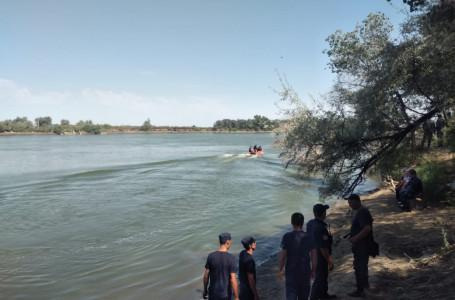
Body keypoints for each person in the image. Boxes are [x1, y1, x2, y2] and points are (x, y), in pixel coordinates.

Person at [279, 212, 317, 300]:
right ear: (303, 222)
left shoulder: (287, 237)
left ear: (292, 222)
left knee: (291, 296)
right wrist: (313, 271)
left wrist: (280, 270)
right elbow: (315, 257)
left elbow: (283, 257)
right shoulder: (309, 237)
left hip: (291, 273)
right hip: (305, 272)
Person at [344, 194, 373, 298]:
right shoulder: (362, 210)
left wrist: (355, 238)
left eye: (350, 203)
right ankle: (365, 285)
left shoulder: (362, 212)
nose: (350, 205)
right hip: (363, 244)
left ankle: (360, 290)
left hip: (362, 245)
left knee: (359, 267)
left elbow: (367, 228)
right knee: (363, 266)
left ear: (356, 201)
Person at [307, 204, 336, 300]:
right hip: (320, 257)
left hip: (313, 254)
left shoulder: (310, 223)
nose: (325, 213)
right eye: (325, 212)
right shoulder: (320, 228)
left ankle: (324, 295)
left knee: (323, 277)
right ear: (323, 214)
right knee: (319, 279)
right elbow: (323, 248)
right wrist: (330, 261)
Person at [203, 232, 239, 300]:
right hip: (225, 294)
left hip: (213, 293)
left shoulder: (211, 256)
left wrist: (205, 291)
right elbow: (232, 279)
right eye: (230, 241)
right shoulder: (231, 258)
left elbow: (206, 276)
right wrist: (237, 297)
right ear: (228, 242)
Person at [239, 236, 260, 300]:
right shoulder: (250, 260)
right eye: (254, 242)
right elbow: (250, 278)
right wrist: (255, 294)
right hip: (248, 290)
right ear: (250, 245)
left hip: (242, 288)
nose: (255, 243)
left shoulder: (242, 253)